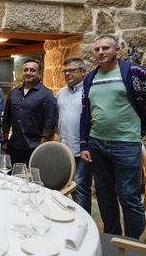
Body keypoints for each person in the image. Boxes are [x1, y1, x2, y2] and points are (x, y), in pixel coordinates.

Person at [80, 34, 146, 238]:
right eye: (97, 49)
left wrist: (141, 130)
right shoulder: (90, 78)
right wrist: (85, 143)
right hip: (97, 144)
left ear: (117, 50)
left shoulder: (135, 72)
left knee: (128, 197)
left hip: (126, 145)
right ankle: (111, 239)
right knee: (103, 194)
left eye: (106, 48)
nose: (101, 52)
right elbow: (86, 113)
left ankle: (134, 245)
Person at [2, 59, 56, 165]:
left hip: (34, 148)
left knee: (32, 179)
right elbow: (6, 120)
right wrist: (4, 143)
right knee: (12, 178)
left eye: (32, 70)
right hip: (13, 147)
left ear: (39, 73)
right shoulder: (13, 93)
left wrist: (40, 149)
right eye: (26, 70)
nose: (28, 73)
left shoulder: (46, 94)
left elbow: (49, 124)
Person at [56, 58, 91, 213]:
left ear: (83, 72)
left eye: (72, 70)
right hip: (64, 148)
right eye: (65, 71)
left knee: (80, 188)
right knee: (62, 188)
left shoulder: (89, 92)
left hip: (82, 150)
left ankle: (83, 223)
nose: (68, 73)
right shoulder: (60, 93)